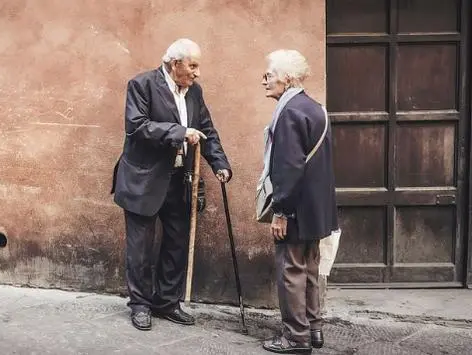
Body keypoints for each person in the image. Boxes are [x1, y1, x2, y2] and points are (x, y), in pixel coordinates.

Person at [111, 38, 232, 331]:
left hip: (179, 181)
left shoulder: (195, 92)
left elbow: (206, 130)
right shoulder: (142, 85)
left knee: (177, 244)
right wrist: (179, 132)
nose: (197, 72)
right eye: (192, 65)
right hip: (143, 180)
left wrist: (220, 164)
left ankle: (166, 302)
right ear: (174, 63)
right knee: (140, 248)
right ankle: (140, 304)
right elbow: (137, 126)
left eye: (197, 66)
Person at [258, 49, 339, 353]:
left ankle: (295, 337)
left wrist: (281, 211)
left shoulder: (289, 112)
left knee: (291, 270)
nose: (264, 80)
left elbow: (289, 167)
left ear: (287, 78)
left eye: (269, 74)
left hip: (295, 209)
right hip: (316, 209)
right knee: (310, 268)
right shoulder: (315, 107)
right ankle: (314, 329)